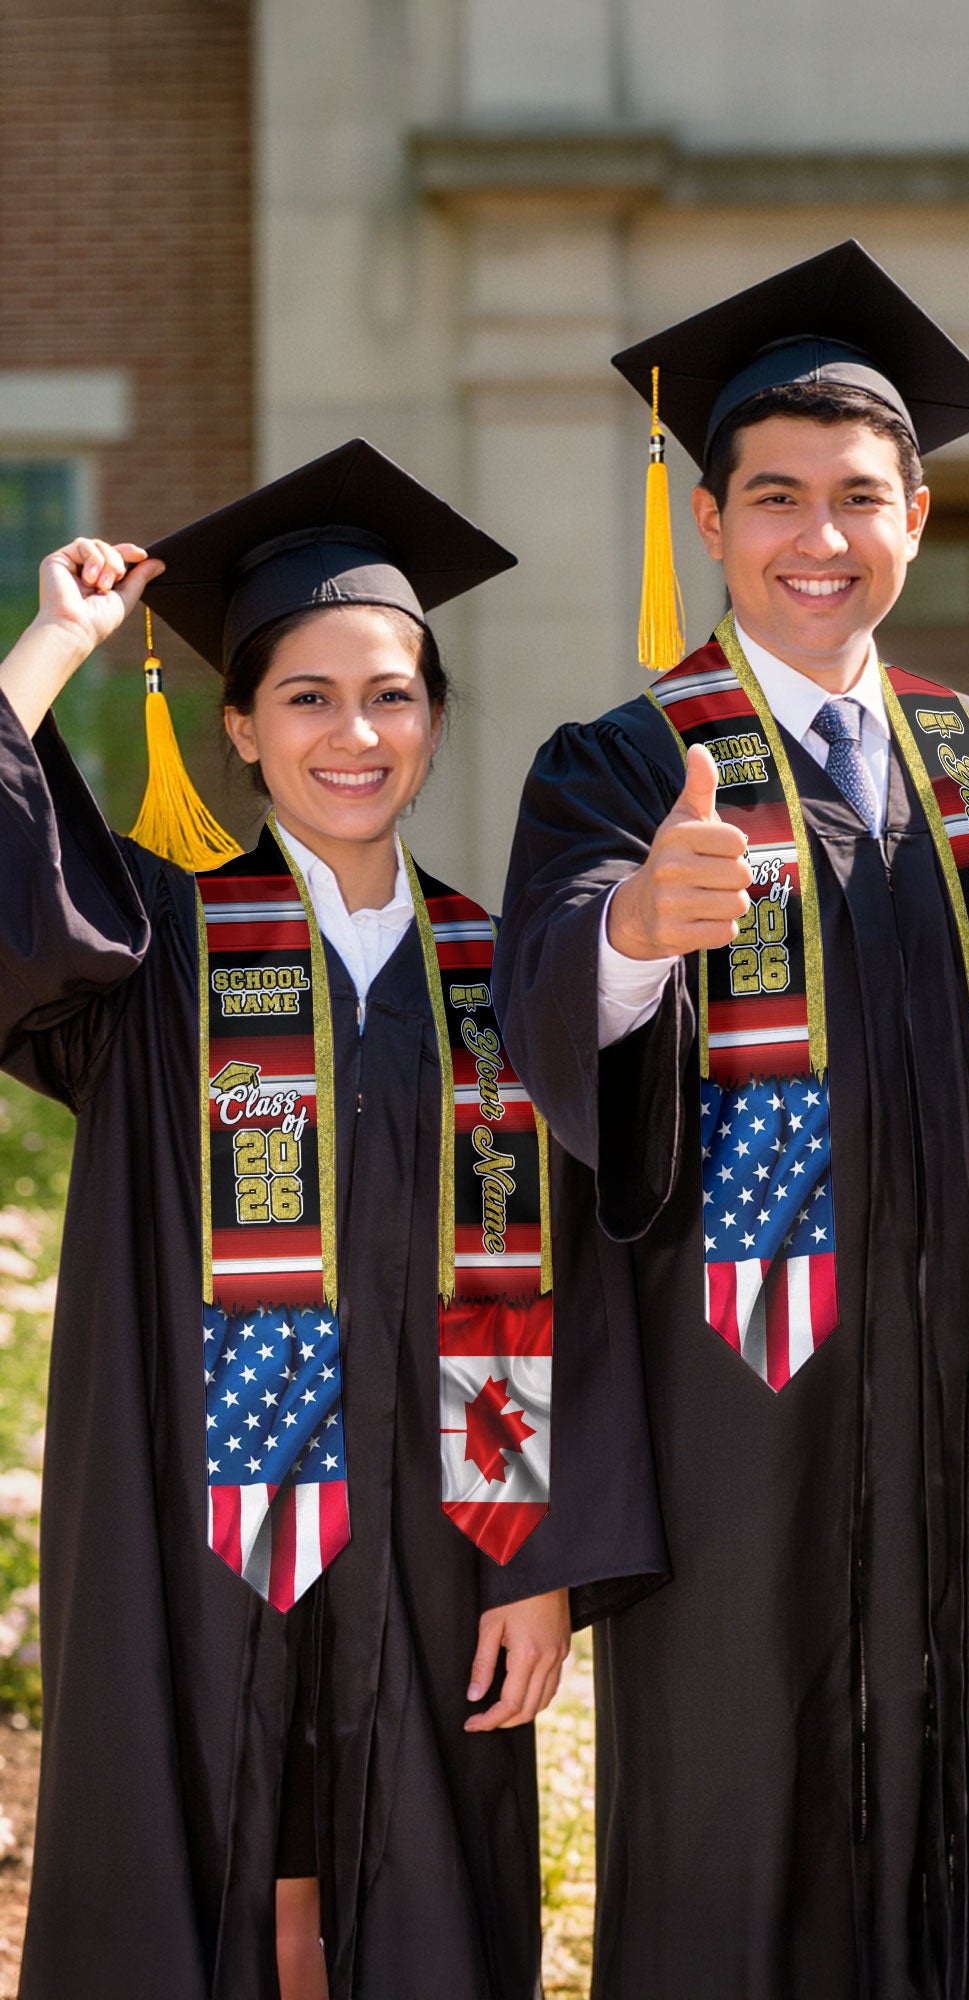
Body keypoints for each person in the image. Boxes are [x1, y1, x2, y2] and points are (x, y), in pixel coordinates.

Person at [494, 241, 969, 1999]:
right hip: (730, 1416)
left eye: (858, 497)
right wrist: (634, 930)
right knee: (735, 1831)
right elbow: (542, 1003)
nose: (818, 537)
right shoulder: (623, 764)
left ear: (917, 515)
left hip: (957, 1406)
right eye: (775, 498)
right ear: (710, 521)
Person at [0, 440, 664, 2000]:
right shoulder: (155, 950)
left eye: (391, 696)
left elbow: (582, 1286)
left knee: (421, 1894)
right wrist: (54, 644)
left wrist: (543, 1560)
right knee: (199, 1865)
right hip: (190, 1533)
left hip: (445, 1538)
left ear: (433, 718)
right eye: (306, 697)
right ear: (239, 726)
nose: (353, 734)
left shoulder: (509, 974)